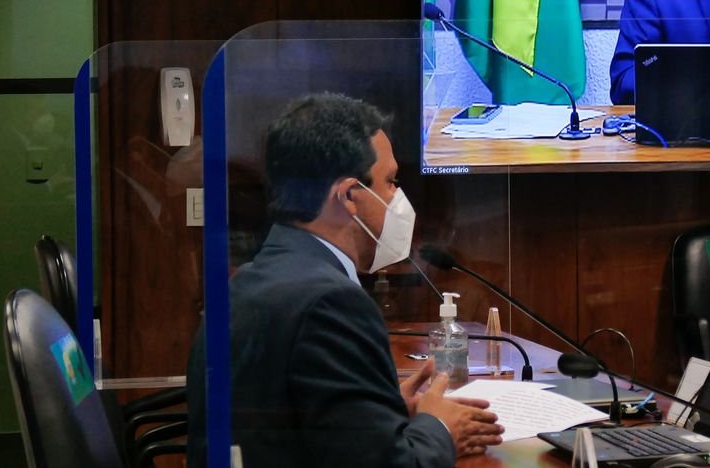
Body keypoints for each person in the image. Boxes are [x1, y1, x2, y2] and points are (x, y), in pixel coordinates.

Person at [186, 93, 504, 467]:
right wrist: (439, 428)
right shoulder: (332, 302)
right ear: (350, 196)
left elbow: (295, 424)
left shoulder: (245, 283)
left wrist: (384, 411)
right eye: (390, 181)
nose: (398, 198)